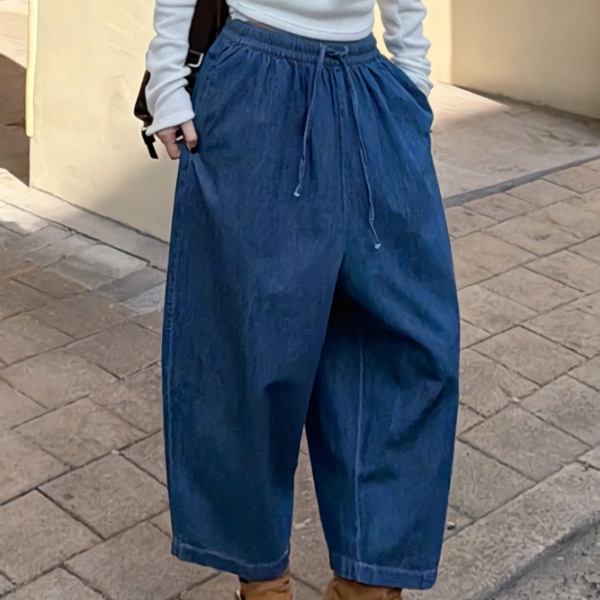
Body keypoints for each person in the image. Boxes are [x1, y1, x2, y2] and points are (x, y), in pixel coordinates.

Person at [145, 0, 460, 598]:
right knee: (250, 346)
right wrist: (167, 79)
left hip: (368, 83)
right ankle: (262, 582)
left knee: (410, 340)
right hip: (253, 81)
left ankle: (369, 583)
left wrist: (413, 84)